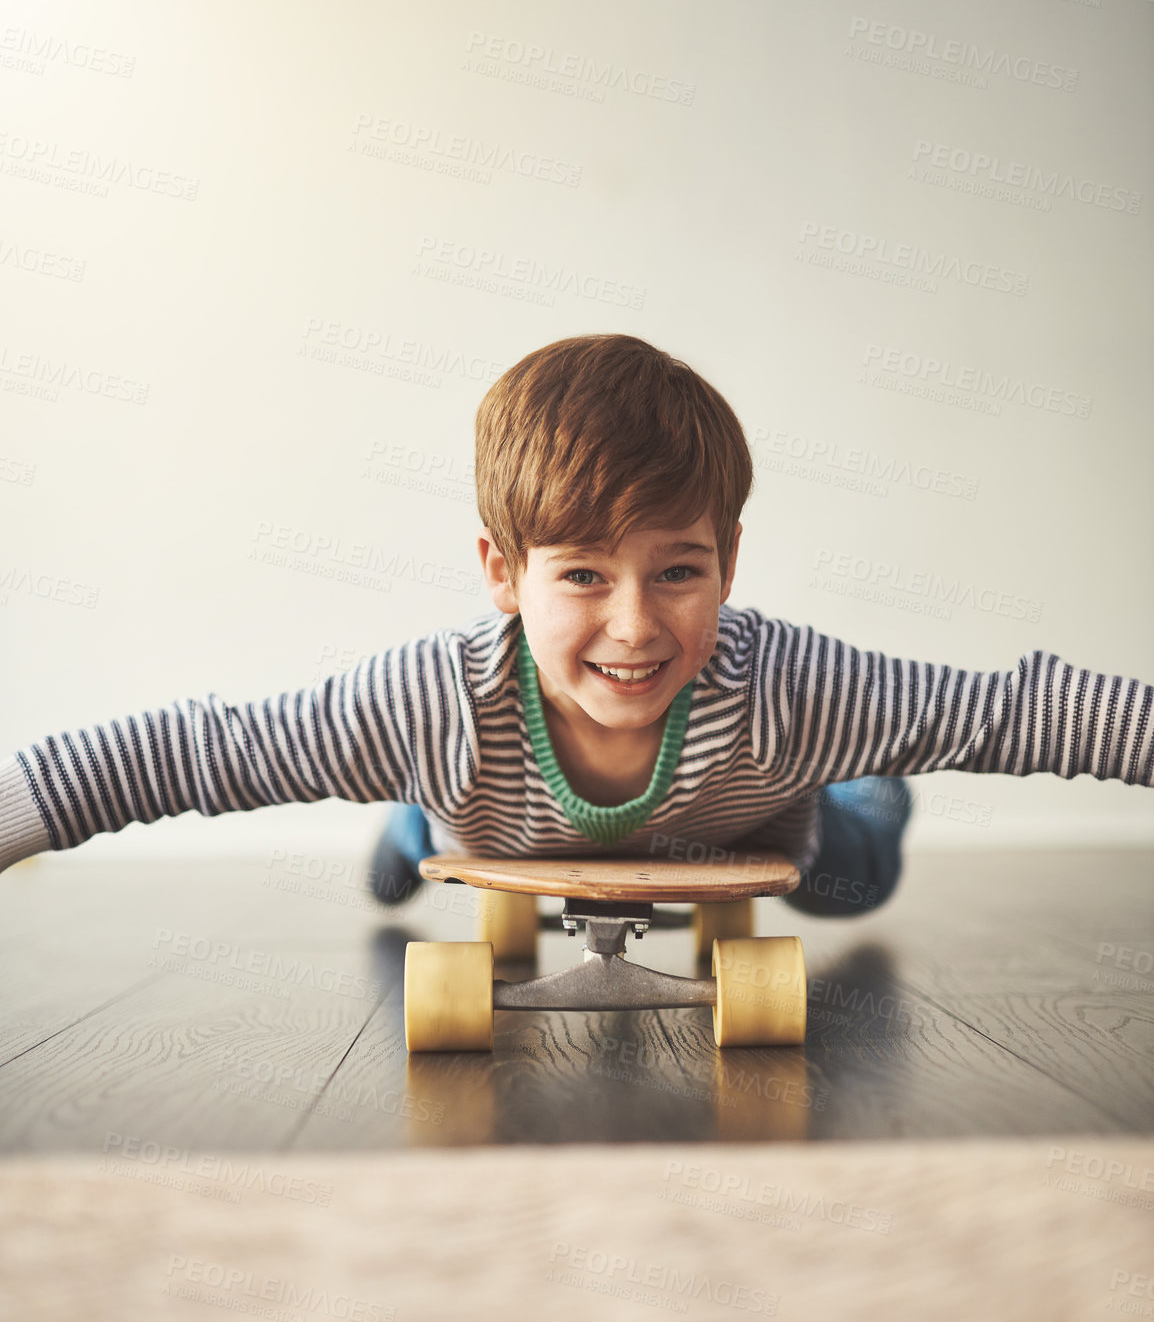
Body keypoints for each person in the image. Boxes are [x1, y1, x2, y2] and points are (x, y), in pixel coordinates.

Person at [1, 336, 1149, 915]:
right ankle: (405, 821)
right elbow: (202, 750)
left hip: (754, 820)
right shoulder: (432, 703)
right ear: (502, 573)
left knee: (859, 870)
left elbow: (1014, 711)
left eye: (679, 571)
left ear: (731, 561)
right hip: (491, 813)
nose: (635, 625)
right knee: (428, 830)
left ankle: (873, 781)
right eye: (585, 575)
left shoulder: (790, 689)